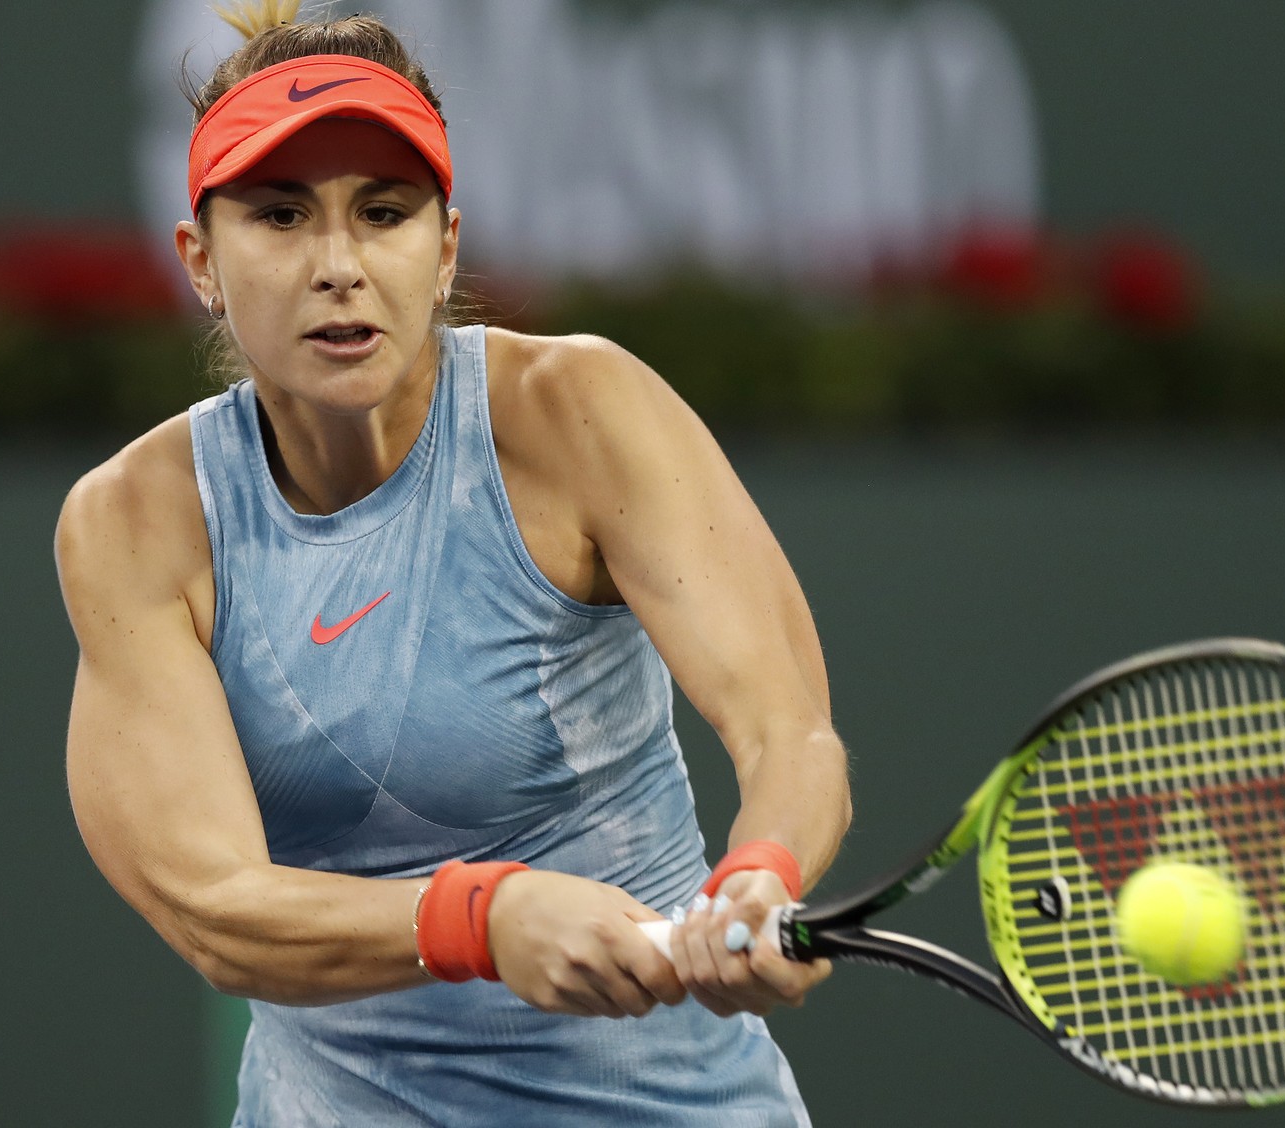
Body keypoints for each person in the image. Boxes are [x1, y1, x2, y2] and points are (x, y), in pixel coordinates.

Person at [55, 3, 851, 1125]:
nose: (338, 265)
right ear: (202, 262)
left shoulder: (580, 410)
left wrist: (761, 868)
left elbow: (789, 730)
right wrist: (482, 917)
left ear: (446, 251)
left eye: (383, 214)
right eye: (280, 217)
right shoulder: (136, 524)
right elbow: (217, 911)